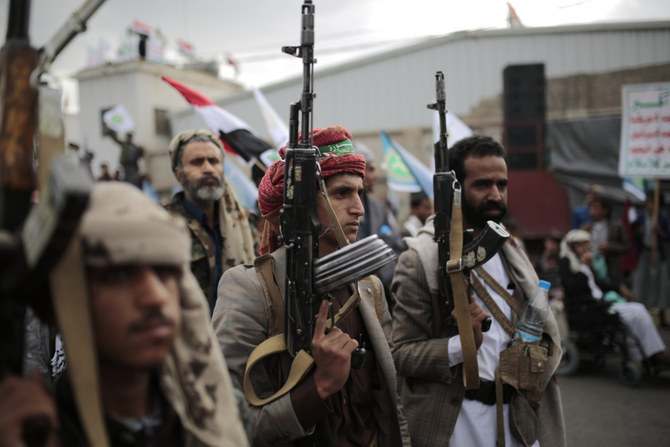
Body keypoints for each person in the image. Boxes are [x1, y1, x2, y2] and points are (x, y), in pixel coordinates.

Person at [0, 182, 249, 447]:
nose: (155, 297)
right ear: (56, 306)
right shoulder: (39, 431)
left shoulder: (219, 411)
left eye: (165, 272)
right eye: (117, 276)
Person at [212, 126, 411, 447]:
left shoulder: (368, 287)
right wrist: (319, 387)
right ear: (302, 205)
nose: (359, 207)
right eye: (341, 193)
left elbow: (389, 397)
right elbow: (228, 423)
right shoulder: (250, 289)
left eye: (359, 192)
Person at [392, 135, 566, 446]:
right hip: (456, 424)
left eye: (502, 184)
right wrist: (461, 345)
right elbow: (401, 356)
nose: (496, 195)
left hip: (518, 420)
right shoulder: (421, 259)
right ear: (454, 190)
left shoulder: (514, 252)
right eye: (483, 185)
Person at [166, 129, 255, 311]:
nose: (208, 169)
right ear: (179, 174)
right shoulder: (163, 225)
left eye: (214, 161)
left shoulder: (245, 220)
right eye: (197, 162)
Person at [559, 229, 670, 368]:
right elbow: (572, 288)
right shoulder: (566, 262)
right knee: (638, 311)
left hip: (599, 305)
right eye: (580, 245)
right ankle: (657, 354)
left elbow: (599, 284)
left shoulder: (585, 263)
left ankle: (649, 354)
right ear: (571, 247)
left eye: (586, 245)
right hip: (587, 309)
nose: (584, 248)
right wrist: (583, 268)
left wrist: (618, 287)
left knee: (635, 315)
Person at [354, 142, 405, 303]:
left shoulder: (379, 208)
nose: (376, 175)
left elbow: (395, 248)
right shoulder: (335, 211)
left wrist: (382, 275)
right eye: (371, 169)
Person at [584, 193, 634, 300]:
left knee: (614, 293)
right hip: (593, 267)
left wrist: (609, 246)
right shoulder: (587, 228)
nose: (592, 211)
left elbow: (626, 246)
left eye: (596, 208)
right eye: (591, 208)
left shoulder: (616, 226)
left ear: (606, 210)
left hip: (611, 269)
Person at [633, 194, 670, 328]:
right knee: (643, 283)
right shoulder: (641, 216)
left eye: (652, 203)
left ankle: (661, 315)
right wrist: (639, 232)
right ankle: (643, 314)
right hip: (644, 253)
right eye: (648, 203)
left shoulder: (663, 217)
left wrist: (660, 231)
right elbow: (633, 234)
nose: (649, 206)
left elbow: (668, 235)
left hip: (658, 254)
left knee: (660, 284)